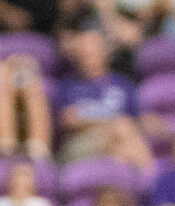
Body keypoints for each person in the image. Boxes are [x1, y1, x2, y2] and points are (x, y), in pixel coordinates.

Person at [53, 31, 149, 168]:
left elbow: (137, 120)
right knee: (122, 129)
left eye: (91, 51)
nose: (86, 56)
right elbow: (68, 120)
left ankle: (131, 181)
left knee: (121, 148)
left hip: (120, 139)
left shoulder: (123, 84)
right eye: (82, 52)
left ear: (105, 53)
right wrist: (109, 123)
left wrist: (86, 117)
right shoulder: (68, 85)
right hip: (80, 143)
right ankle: (152, 181)